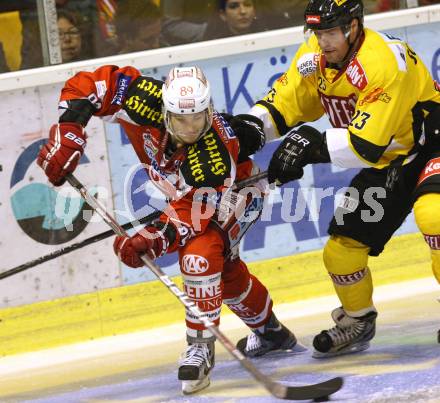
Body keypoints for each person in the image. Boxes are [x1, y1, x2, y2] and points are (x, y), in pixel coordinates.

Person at [36, 65, 301, 394]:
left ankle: (201, 347)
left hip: (238, 195)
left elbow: (195, 213)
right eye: (180, 120)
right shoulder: (142, 97)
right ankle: (272, 334)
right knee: (225, 271)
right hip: (189, 199)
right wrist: (68, 130)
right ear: (165, 111)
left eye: (198, 118)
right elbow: (90, 84)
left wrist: (150, 239)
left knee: (200, 256)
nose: (190, 128)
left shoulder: (214, 153)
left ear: (209, 110)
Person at [243, 0, 440, 358]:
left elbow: (364, 145)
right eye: (318, 33)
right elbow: (287, 103)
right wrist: (247, 131)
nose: (324, 41)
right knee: (341, 252)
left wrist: (311, 147)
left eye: (331, 32)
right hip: (390, 161)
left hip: (432, 145)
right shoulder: (316, 56)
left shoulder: (382, 62)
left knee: (435, 216)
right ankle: (358, 320)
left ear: (353, 27)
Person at [203, 0, 268, 41]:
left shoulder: (267, 36)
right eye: (234, 6)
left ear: (254, 11)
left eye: (247, 4)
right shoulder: (216, 43)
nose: (243, 11)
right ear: (223, 15)